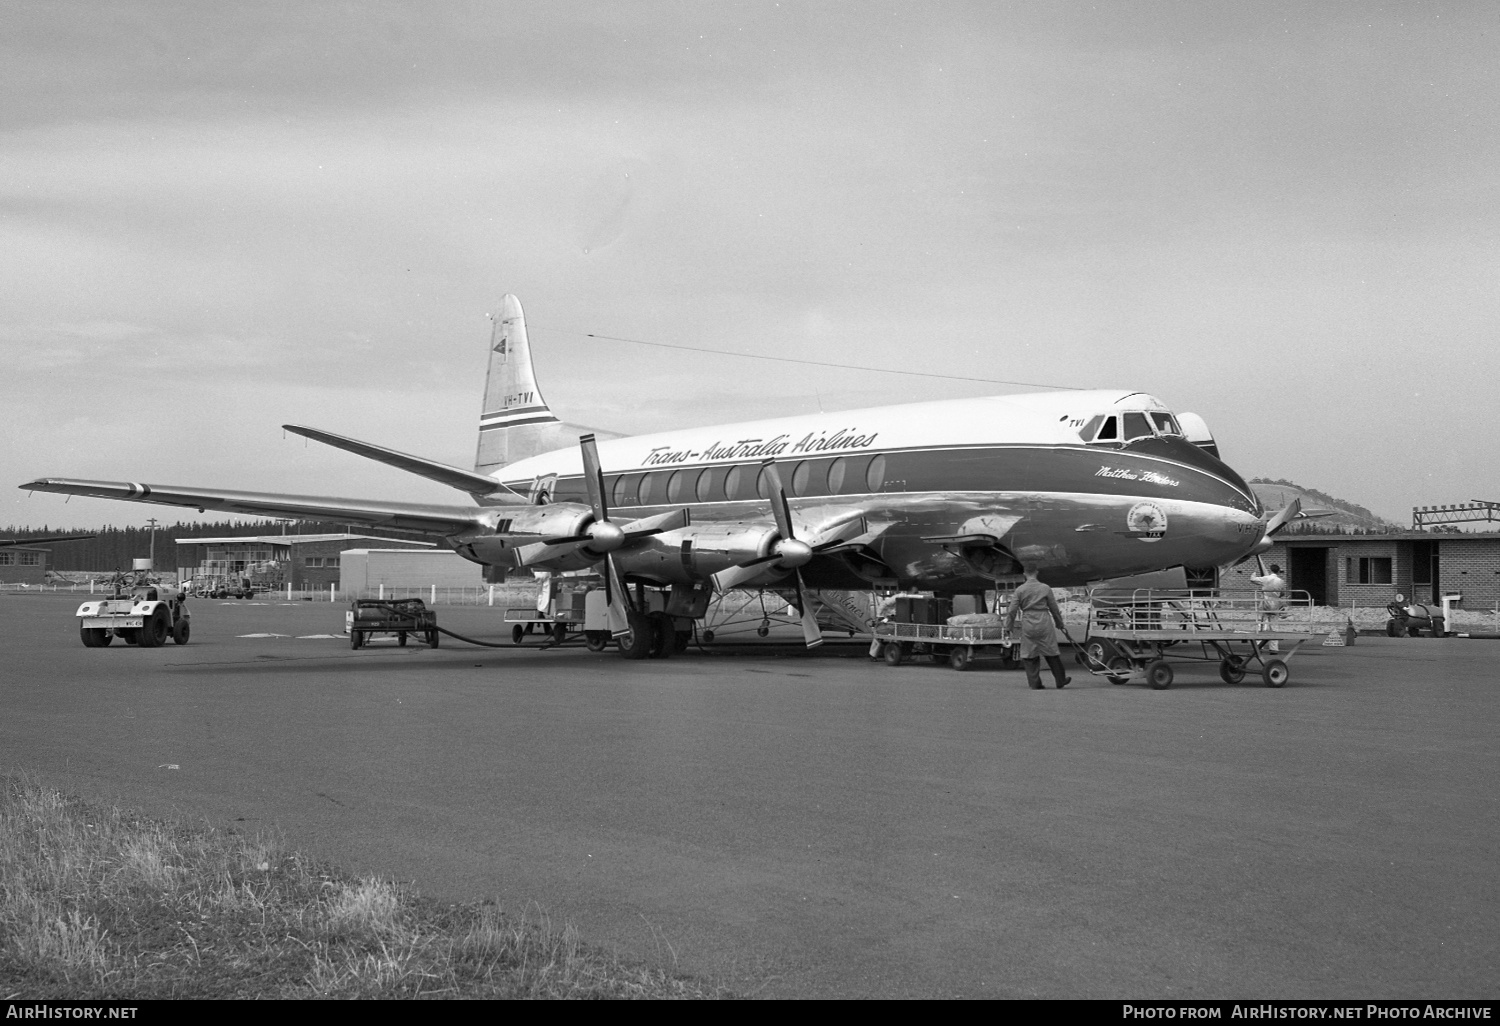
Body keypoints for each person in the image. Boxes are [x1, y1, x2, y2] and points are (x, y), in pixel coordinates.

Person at [1003, 566, 1071, 689]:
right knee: (1051, 652)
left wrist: (1008, 627)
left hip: (1028, 621)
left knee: (1030, 654)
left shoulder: (1020, 590)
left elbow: (1012, 610)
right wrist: (1059, 624)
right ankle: (1060, 680)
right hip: (1044, 621)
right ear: (1037, 573)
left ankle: (1034, 683)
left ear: (1024, 574)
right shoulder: (1045, 588)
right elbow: (1054, 609)